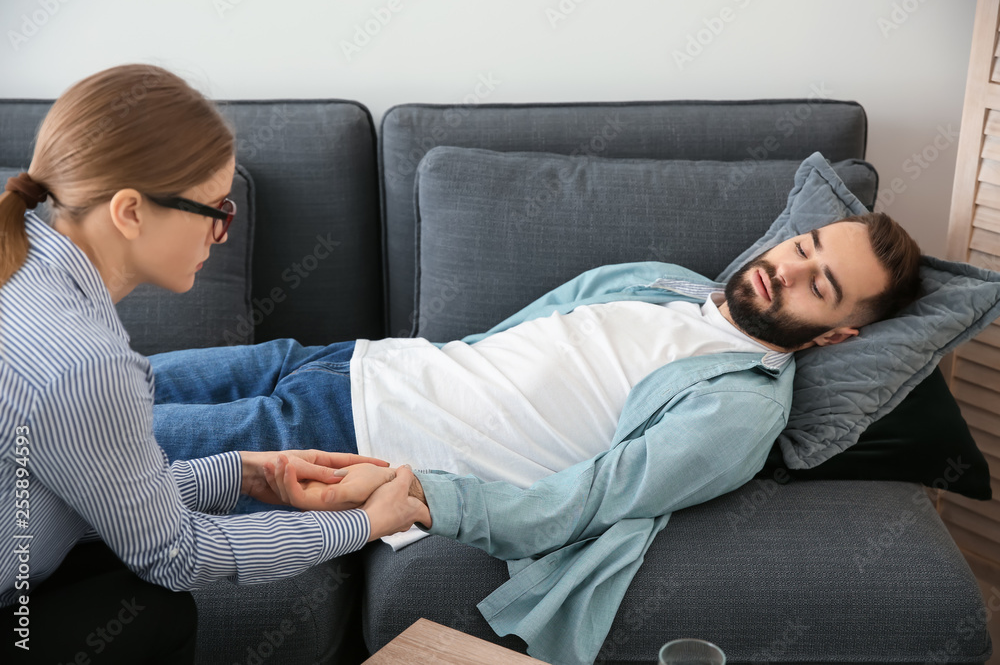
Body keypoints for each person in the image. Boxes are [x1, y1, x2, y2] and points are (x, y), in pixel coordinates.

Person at [151, 209, 922, 662]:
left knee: (84, 446)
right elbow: (502, 341)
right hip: (348, 361)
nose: (784, 269)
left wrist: (421, 495)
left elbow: (584, 501)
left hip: (343, 435)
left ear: (836, 336)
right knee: (99, 381)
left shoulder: (739, 411)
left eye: (818, 284)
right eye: (804, 246)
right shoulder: (661, 279)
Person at [0, 64, 426, 665]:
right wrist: (363, 524)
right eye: (213, 210)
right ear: (130, 212)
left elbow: (84, 497)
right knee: (151, 614)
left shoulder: (29, 276)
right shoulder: (85, 363)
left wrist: (246, 473)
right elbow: (175, 555)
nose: (222, 232)